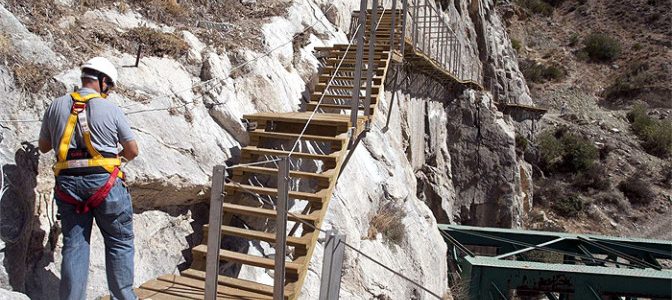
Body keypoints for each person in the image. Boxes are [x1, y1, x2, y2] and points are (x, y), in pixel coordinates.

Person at [38, 57, 139, 300]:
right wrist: (116, 160)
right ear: (103, 81)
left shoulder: (55, 106)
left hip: (69, 187)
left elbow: (43, 147)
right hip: (105, 186)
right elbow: (133, 150)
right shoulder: (111, 109)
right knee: (119, 242)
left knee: (75, 244)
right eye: (109, 86)